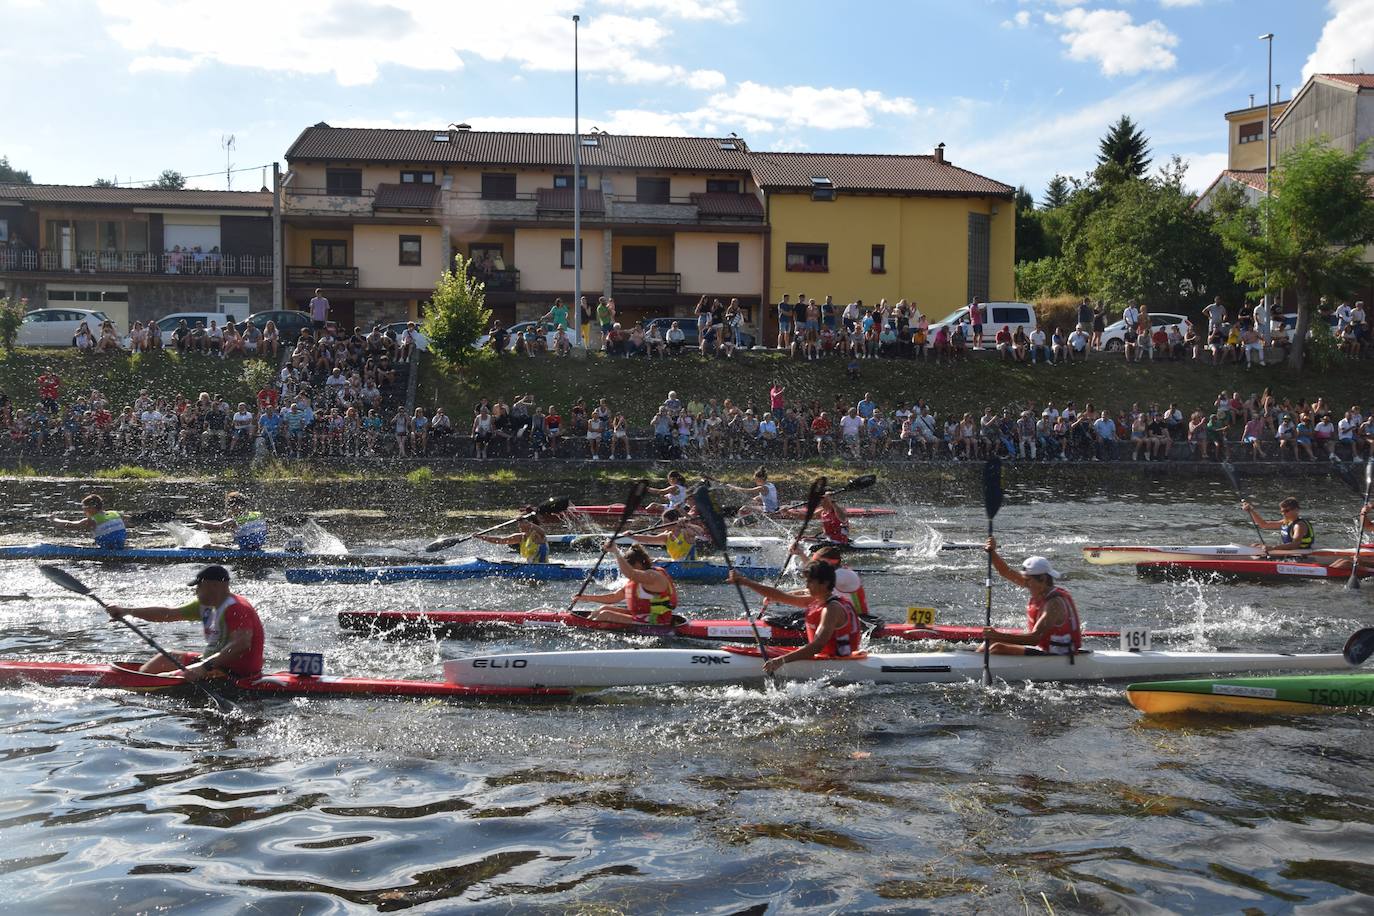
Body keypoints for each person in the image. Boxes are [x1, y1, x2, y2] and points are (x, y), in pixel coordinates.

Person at [104, 565, 264, 678]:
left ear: (214, 586)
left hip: (236, 671)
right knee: (167, 656)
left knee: (166, 677)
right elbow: (166, 614)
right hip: (213, 663)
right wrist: (127, 611)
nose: (196, 591)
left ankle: (140, 685)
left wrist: (204, 667)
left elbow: (241, 645)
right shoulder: (207, 605)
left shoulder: (236, 608)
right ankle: (138, 680)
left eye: (199, 586)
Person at [727, 561, 865, 674]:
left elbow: (816, 647)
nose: (806, 585)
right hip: (825, 659)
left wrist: (779, 661)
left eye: (810, 581)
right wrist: (745, 582)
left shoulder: (831, 609)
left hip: (839, 664)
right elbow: (780, 596)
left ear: (825, 583)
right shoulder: (817, 600)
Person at [980, 540, 1082, 656]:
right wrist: (992, 552)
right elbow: (1005, 572)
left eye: (1028, 580)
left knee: (997, 648)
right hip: (1043, 650)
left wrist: (998, 635)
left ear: (1043, 579)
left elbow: (1034, 639)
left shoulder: (1054, 603)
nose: (1024, 583)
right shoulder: (1038, 586)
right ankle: (971, 661)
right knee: (989, 643)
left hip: (1060, 656)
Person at [575, 544, 678, 626]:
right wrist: (585, 598)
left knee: (605, 615)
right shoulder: (637, 580)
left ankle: (583, 626)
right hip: (643, 616)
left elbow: (630, 573)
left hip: (658, 622)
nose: (625, 571)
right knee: (603, 609)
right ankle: (584, 623)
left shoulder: (653, 576)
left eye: (628, 567)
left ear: (638, 564)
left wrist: (616, 552)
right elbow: (614, 597)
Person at [1242, 497, 1314, 555]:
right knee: (1255, 545)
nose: (1283, 513)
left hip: (1300, 554)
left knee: (1258, 548)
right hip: (1290, 552)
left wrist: (1272, 548)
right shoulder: (1286, 522)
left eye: (1286, 511)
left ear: (1296, 510)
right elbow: (1264, 525)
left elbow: (1294, 545)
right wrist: (1251, 511)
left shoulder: (1299, 525)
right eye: (1282, 511)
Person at [196, 491, 269, 550]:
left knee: (207, 546)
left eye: (229, 507)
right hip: (258, 549)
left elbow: (214, 526)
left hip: (245, 551)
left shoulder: (234, 521)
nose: (229, 510)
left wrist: (197, 521)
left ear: (235, 507)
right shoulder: (259, 515)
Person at [51, 494, 126, 549]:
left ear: (91, 508)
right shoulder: (115, 513)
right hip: (120, 546)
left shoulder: (92, 520)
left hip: (107, 550)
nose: (83, 510)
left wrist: (54, 519)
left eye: (84, 507)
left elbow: (69, 525)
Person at [477, 507, 549, 563]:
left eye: (520, 523)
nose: (518, 526)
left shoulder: (538, 535)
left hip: (542, 567)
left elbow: (542, 532)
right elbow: (501, 540)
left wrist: (527, 522)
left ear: (529, 523)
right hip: (529, 566)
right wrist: (481, 537)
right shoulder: (521, 537)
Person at [633, 508, 704, 562]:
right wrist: (630, 535)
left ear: (675, 521)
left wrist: (687, 524)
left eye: (666, 522)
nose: (664, 525)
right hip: (677, 564)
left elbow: (700, 531)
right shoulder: (666, 536)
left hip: (692, 564)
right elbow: (648, 539)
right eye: (663, 522)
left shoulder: (686, 532)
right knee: (654, 560)